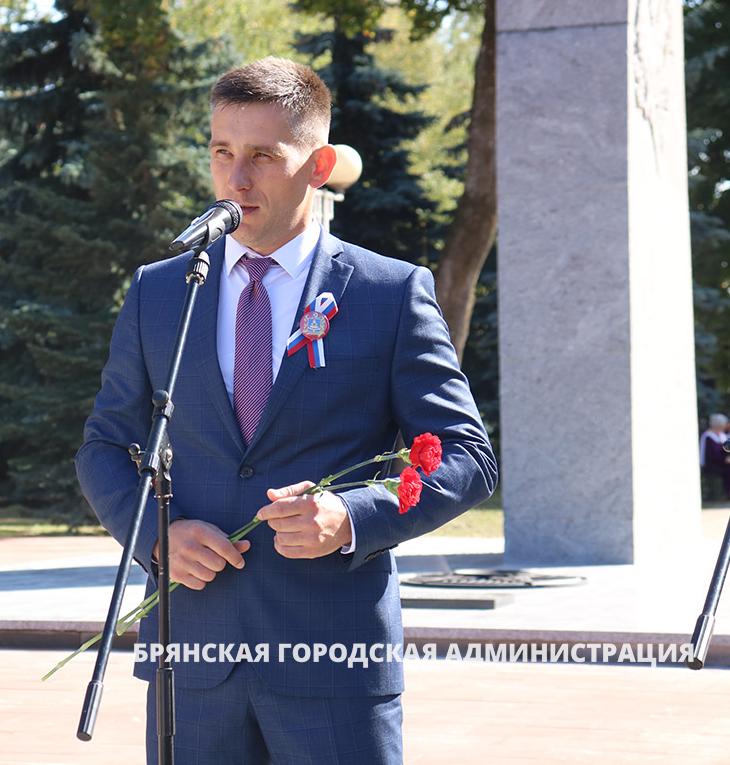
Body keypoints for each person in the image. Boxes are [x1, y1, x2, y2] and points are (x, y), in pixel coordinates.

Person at [76, 57, 497, 764]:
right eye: (221, 153)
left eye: (263, 157)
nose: (236, 180)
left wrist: (353, 516)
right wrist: (155, 537)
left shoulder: (388, 294)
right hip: (194, 665)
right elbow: (103, 445)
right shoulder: (159, 292)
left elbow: (468, 457)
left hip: (331, 664)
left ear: (320, 164)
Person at [700, 413, 730, 503]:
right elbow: (712, 454)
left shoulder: (721, 435)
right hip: (713, 467)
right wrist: (726, 459)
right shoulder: (709, 436)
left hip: (722, 466)